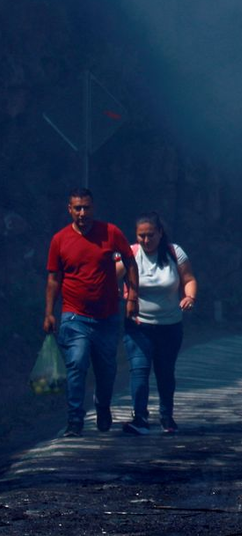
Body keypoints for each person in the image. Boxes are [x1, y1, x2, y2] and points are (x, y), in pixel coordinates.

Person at [44, 187, 139, 437]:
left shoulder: (110, 232)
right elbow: (53, 278)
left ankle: (102, 405)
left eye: (86, 207)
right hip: (74, 315)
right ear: (70, 209)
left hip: (107, 316)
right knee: (76, 363)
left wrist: (132, 297)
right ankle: (74, 419)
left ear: (93, 208)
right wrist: (49, 312)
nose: (82, 213)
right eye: (77, 208)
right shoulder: (60, 239)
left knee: (106, 369)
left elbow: (130, 262)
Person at [120, 211, 197, 435]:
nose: (146, 240)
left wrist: (189, 297)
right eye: (141, 236)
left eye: (150, 235)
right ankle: (140, 418)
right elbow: (108, 277)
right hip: (138, 325)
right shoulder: (131, 253)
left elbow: (189, 279)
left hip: (170, 326)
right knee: (139, 370)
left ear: (160, 233)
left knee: (165, 371)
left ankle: (166, 416)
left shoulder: (175, 252)